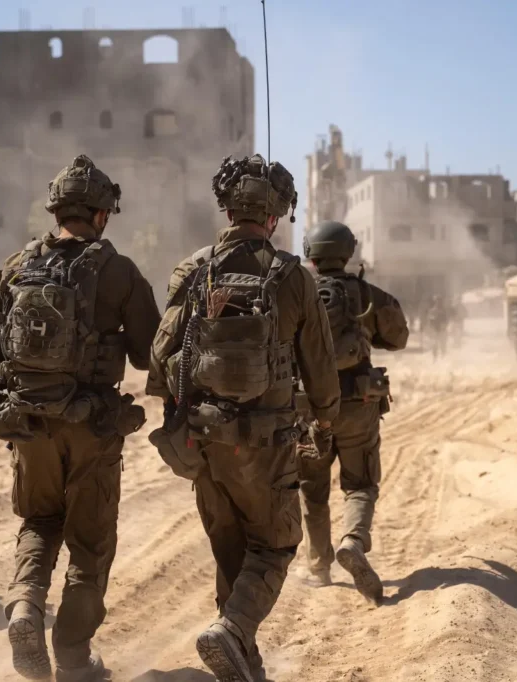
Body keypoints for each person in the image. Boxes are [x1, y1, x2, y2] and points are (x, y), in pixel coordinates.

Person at [0, 155, 162, 681]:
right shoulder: (118, 270)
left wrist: (15, 387)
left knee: (39, 522)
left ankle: (25, 606)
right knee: (89, 546)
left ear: (56, 211)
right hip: (92, 427)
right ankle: (73, 658)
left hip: (29, 426)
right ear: (100, 214)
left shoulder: (17, 265)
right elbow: (149, 353)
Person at [146, 154, 340, 682]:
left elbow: (160, 359)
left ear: (228, 209)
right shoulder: (294, 277)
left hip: (204, 440)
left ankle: (240, 656)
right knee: (275, 545)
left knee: (231, 549)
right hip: (266, 443)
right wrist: (325, 422)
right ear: (274, 216)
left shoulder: (193, 270)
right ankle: (232, 632)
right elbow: (321, 369)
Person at [299, 220, 409, 604]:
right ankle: (354, 541)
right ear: (348, 253)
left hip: (310, 408)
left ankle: (319, 568)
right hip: (358, 404)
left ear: (310, 255)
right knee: (359, 484)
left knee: (311, 487)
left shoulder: (296, 294)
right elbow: (398, 337)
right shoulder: (366, 294)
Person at [425, 295, 450, 359]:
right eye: (437, 301)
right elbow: (430, 321)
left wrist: (444, 326)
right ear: (435, 302)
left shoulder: (444, 310)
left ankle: (443, 356)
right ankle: (435, 357)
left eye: (440, 301)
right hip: (435, 330)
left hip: (442, 329)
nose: (439, 302)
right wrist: (430, 329)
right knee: (435, 344)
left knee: (443, 344)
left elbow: (447, 320)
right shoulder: (433, 310)